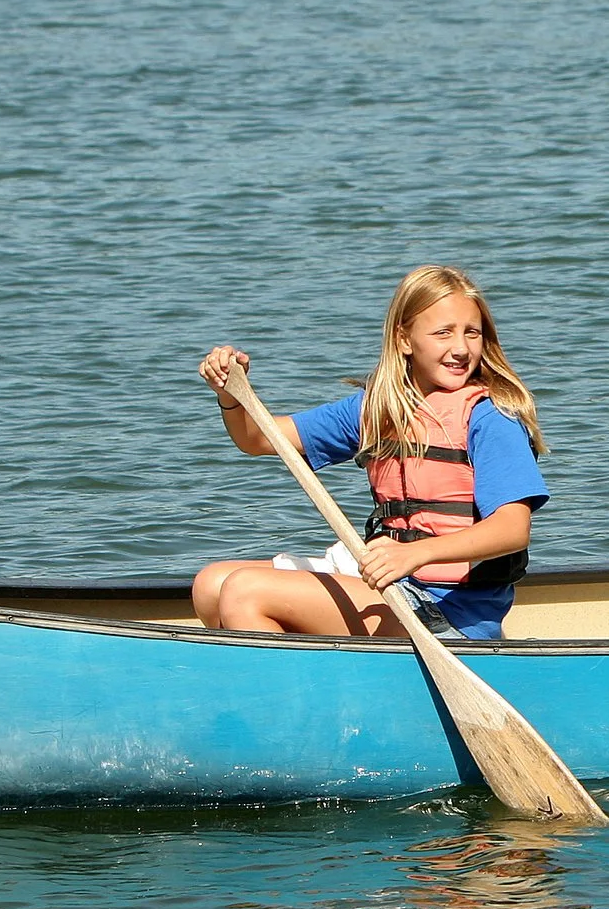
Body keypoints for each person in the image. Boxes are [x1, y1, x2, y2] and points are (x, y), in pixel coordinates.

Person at [192, 264, 549, 640]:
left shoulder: (491, 418)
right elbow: (258, 439)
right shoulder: (378, 408)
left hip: (451, 611)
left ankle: (291, 694)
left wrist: (413, 555)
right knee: (212, 584)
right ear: (404, 339)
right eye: (443, 333)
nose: (460, 348)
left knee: (246, 590)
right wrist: (230, 394)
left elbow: (512, 530)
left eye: (471, 333)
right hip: (394, 585)